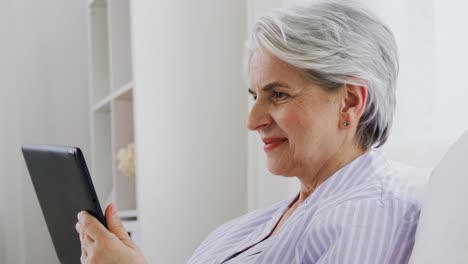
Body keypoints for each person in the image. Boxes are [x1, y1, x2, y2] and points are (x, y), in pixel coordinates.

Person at [75, 0, 421, 263]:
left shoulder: (368, 215)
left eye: (279, 94)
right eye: (255, 95)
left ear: (349, 102)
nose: (253, 120)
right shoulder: (274, 217)